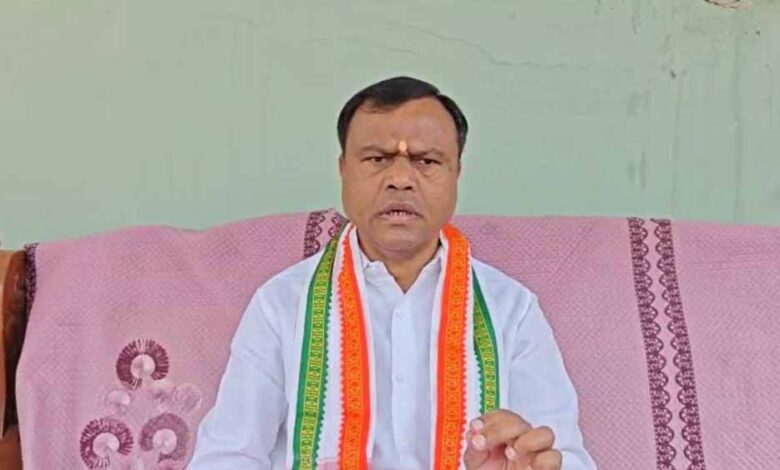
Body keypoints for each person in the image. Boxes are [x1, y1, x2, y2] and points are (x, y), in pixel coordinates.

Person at [190, 76, 597, 470]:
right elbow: (227, 456)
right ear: (343, 170)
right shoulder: (281, 305)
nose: (400, 179)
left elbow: (562, 454)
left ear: (456, 174)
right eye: (377, 159)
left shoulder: (511, 310)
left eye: (426, 161)